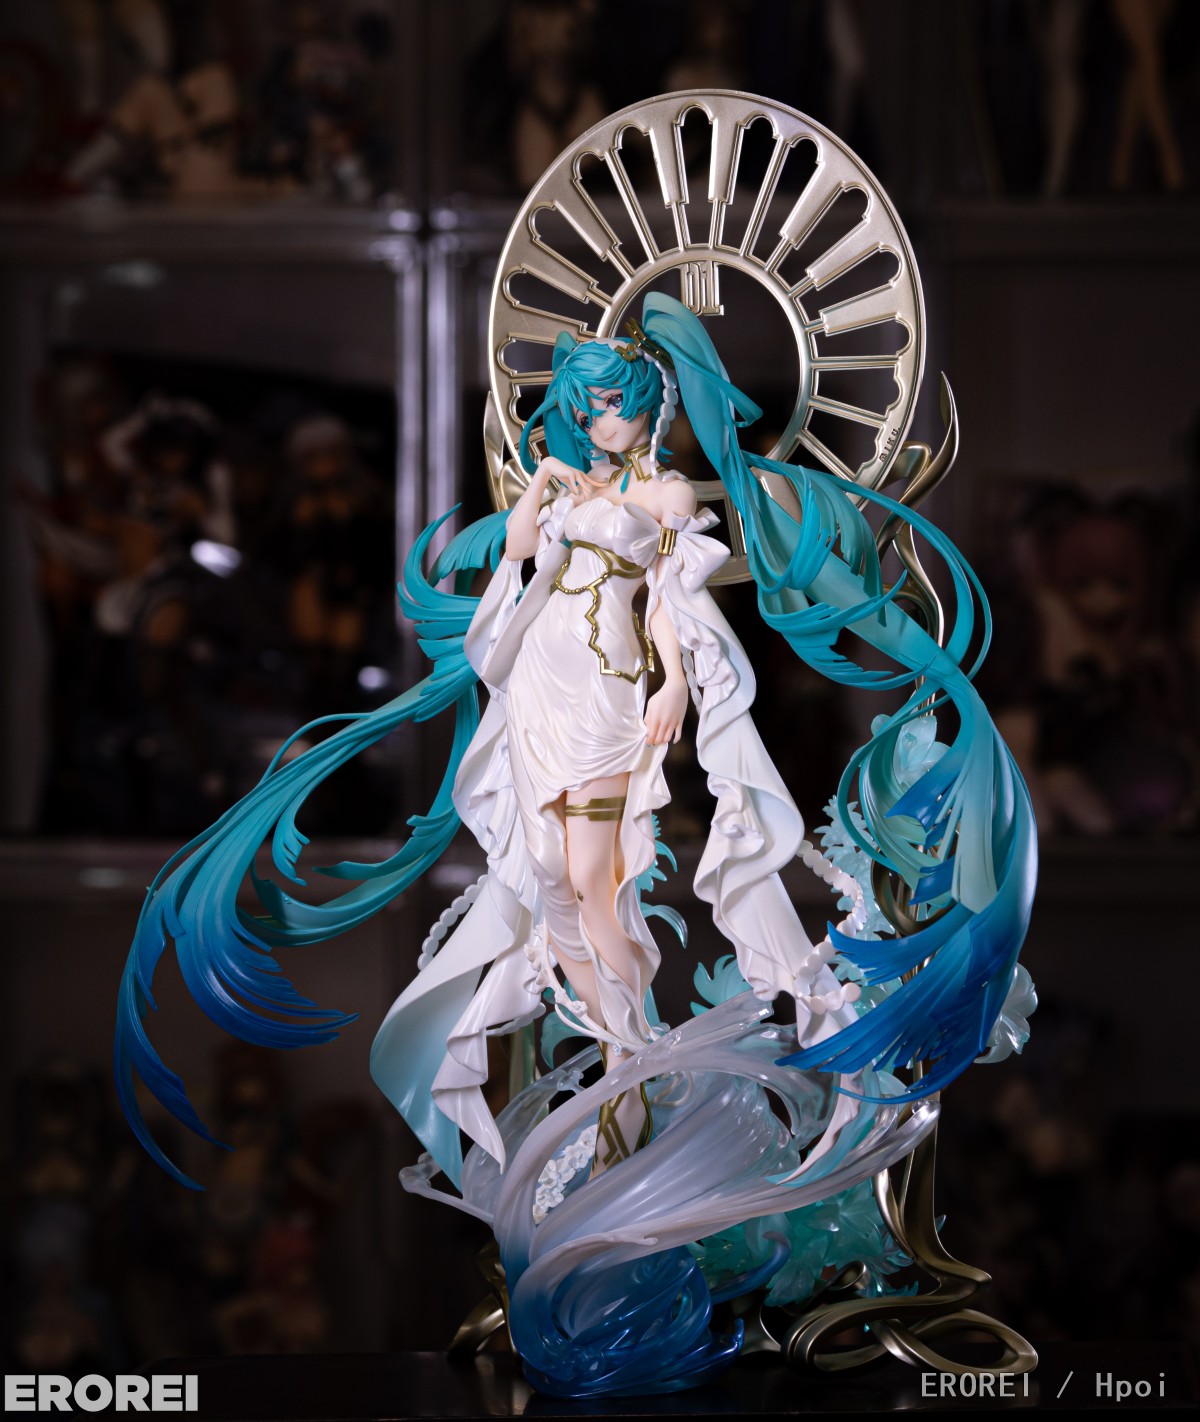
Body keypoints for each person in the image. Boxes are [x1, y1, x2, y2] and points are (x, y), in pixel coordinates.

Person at [115, 291, 1035, 1395]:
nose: (602, 422)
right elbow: (515, 576)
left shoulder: (664, 492)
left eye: (619, 406)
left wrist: (675, 688)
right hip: (541, 685)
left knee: (593, 880)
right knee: (548, 881)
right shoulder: (568, 483)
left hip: (607, 695)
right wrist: (539, 497)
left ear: (652, 409)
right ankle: (616, 1044)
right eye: (588, 407)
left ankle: (629, 1058)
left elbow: (674, 605)